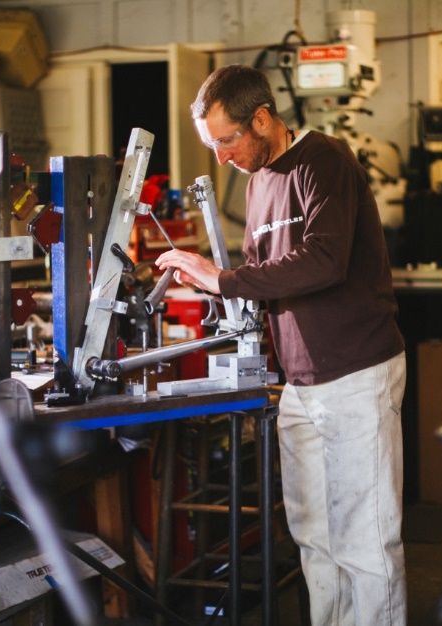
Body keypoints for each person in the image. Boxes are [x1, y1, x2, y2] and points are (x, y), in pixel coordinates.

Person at [155, 64, 407, 625]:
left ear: (262, 119)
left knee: (365, 541)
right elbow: (264, 273)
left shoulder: (325, 161)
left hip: (356, 373)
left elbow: (324, 260)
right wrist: (218, 288)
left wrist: (223, 279)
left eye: (225, 140)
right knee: (315, 539)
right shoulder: (259, 181)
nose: (220, 156)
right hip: (300, 384)